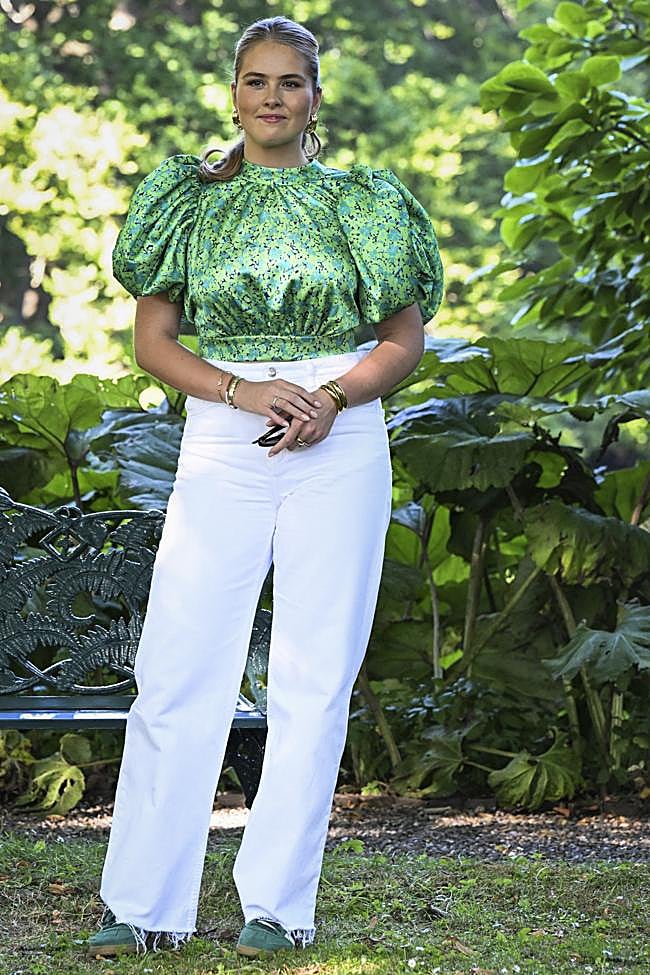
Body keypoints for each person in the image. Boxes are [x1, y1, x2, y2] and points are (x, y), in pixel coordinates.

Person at [86, 13, 444, 961]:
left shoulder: (362, 201)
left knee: (314, 679)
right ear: (234, 91)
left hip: (341, 436)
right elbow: (153, 342)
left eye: (291, 82)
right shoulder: (187, 201)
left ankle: (278, 906)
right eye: (256, 81)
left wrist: (331, 396)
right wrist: (244, 389)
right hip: (225, 431)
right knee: (177, 670)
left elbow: (404, 339)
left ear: (315, 97)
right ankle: (142, 904)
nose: (272, 97)